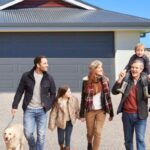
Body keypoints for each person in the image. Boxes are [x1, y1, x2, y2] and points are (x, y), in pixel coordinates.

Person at [11, 56, 56, 150]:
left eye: (47, 63)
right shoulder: (26, 76)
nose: (47, 65)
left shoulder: (49, 78)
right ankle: (33, 147)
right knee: (27, 133)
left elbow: (53, 93)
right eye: (44, 63)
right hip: (29, 109)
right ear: (38, 65)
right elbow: (20, 91)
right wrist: (15, 106)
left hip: (42, 110)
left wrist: (48, 105)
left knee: (41, 135)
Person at [112, 59, 150, 150]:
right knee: (128, 140)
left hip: (141, 115)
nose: (134, 69)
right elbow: (114, 92)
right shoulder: (126, 78)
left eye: (136, 68)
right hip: (127, 115)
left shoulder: (145, 79)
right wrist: (120, 79)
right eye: (132, 67)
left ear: (141, 69)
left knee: (140, 139)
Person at [79, 60, 114, 150]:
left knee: (98, 132)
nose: (101, 69)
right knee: (90, 133)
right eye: (98, 67)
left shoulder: (105, 80)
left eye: (101, 67)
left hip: (101, 111)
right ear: (93, 69)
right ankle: (89, 142)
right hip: (90, 110)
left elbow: (108, 97)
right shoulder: (86, 81)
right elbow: (83, 98)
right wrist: (81, 114)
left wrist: (111, 113)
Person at [48, 85, 79, 150]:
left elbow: (77, 109)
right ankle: (61, 147)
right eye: (68, 92)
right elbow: (53, 114)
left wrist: (81, 116)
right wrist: (52, 124)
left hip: (70, 122)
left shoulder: (73, 100)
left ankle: (67, 148)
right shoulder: (58, 102)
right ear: (63, 93)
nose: (70, 93)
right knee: (61, 139)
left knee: (68, 137)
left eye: (70, 91)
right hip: (60, 122)